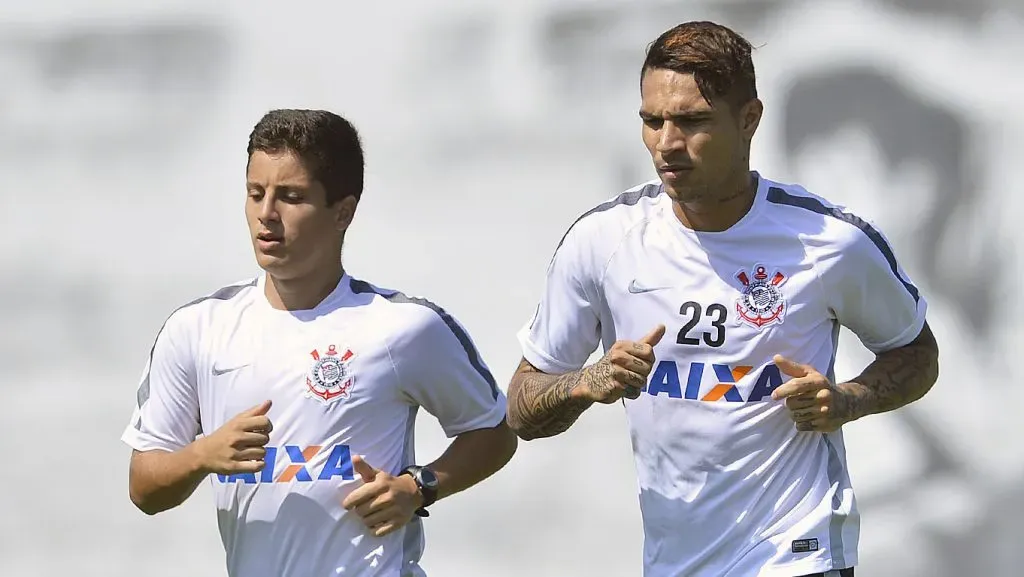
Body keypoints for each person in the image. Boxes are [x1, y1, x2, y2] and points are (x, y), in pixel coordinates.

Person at [506, 20, 939, 577]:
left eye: (692, 121)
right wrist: (586, 383)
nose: (667, 143)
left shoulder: (830, 241)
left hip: (799, 555)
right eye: (652, 121)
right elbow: (521, 407)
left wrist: (848, 400)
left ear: (750, 119)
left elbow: (918, 356)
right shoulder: (603, 241)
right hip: (676, 563)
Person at [121, 109, 517, 577]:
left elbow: (494, 432)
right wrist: (201, 455)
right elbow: (145, 487)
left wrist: (419, 487)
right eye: (255, 193)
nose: (267, 214)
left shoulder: (403, 327)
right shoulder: (198, 329)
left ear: (342, 212)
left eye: (291, 197)